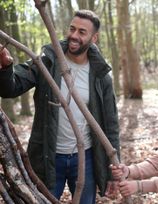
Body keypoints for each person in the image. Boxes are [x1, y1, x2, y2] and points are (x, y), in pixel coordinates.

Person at [0, 10, 120, 203]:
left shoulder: (101, 75)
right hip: (48, 155)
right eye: (72, 29)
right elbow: (11, 88)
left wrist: (114, 169)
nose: (74, 35)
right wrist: (6, 67)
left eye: (82, 32)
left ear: (94, 38)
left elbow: (111, 125)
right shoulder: (48, 60)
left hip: (86, 159)